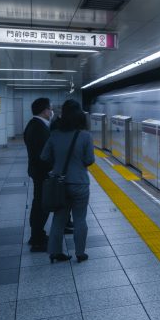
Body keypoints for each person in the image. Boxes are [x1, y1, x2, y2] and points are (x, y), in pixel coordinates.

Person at [40, 99, 95, 262]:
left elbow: (44, 156)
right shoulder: (85, 136)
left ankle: (55, 252)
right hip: (79, 183)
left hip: (59, 183)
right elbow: (89, 159)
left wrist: (57, 163)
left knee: (59, 219)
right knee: (80, 218)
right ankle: (80, 253)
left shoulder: (54, 135)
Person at [23, 98, 52, 252]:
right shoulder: (39, 129)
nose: (51, 111)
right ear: (45, 110)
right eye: (50, 108)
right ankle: (37, 240)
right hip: (42, 174)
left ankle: (38, 234)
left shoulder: (32, 125)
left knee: (38, 204)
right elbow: (43, 156)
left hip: (37, 172)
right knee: (41, 206)